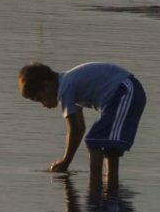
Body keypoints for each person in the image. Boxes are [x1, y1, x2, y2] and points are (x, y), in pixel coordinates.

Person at [19, 60, 145, 190]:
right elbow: (80, 127)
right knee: (108, 146)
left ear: (46, 86)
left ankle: (95, 191)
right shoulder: (69, 83)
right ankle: (110, 190)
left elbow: (74, 128)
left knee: (94, 140)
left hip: (125, 91)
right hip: (124, 93)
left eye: (40, 99)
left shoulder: (65, 88)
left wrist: (65, 162)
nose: (43, 105)